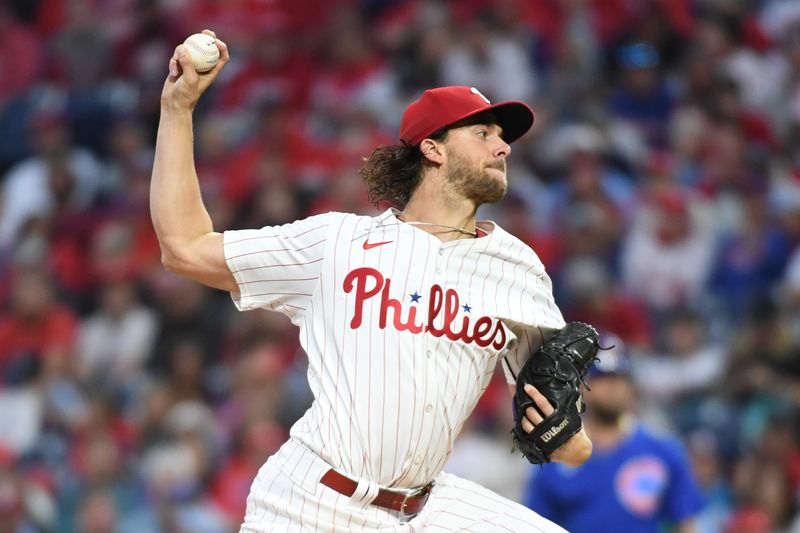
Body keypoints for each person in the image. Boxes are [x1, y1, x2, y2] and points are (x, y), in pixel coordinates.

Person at [151, 29, 592, 532]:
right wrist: (177, 109)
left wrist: (570, 437)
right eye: (484, 134)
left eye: (503, 138)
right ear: (433, 149)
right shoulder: (337, 242)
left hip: (426, 508)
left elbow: (566, 432)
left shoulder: (519, 268)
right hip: (311, 503)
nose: (503, 148)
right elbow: (184, 247)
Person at [523, 334, 703, 533]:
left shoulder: (663, 451)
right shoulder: (555, 456)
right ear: (581, 387)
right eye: (603, 379)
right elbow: (535, 526)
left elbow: (685, 524)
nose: (614, 388)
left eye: (620, 379)